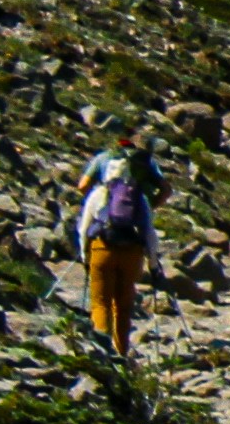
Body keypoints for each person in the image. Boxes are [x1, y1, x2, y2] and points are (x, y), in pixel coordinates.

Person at [63, 139, 164, 363]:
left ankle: (103, 351)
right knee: (124, 305)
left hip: (103, 249)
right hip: (132, 253)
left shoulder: (99, 193)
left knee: (101, 302)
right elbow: (149, 234)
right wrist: (154, 265)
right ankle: (121, 352)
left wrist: (85, 255)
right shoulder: (140, 197)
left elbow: (84, 228)